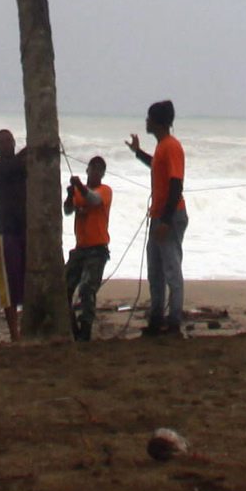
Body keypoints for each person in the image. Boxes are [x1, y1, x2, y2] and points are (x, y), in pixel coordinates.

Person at [126, 99, 188, 338]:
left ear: (158, 122)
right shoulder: (162, 146)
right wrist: (137, 152)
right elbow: (156, 165)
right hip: (159, 216)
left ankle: (173, 323)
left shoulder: (171, 146)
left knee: (171, 270)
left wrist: (165, 220)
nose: (146, 121)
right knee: (155, 270)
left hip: (169, 216)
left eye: (149, 118)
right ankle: (156, 319)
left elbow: (176, 184)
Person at [0, 127, 33, 343]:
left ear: (14, 143)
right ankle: (14, 332)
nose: (6, 144)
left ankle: (26, 328)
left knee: (26, 280)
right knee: (8, 284)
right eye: (2, 142)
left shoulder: (23, 165)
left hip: (25, 229)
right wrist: (33, 148)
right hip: (5, 230)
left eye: (9, 141)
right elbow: (14, 166)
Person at [64, 157, 116, 341]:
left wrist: (79, 186)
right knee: (64, 287)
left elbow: (94, 200)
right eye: (92, 169)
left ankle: (86, 329)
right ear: (87, 170)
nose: (94, 173)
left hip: (97, 249)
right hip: (80, 248)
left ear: (102, 173)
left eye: (98, 170)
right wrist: (70, 194)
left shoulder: (105, 191)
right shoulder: (80, 192)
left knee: (87, 288)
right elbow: (68, 210)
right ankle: (72, 328)